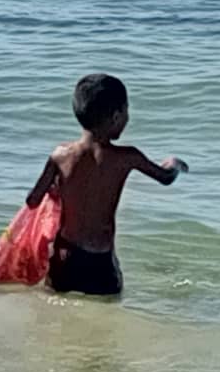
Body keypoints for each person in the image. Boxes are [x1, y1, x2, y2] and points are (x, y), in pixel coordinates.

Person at [26, 74, 187, 296]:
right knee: (106, 318)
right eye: (127, 112)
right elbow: (165, 178)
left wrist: (57, 189)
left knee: (58, 314)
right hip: (99, 263)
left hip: (64, 260)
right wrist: (174, 164)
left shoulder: (60, 156)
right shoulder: (128, 157)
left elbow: (33, 201)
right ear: (116, 116)